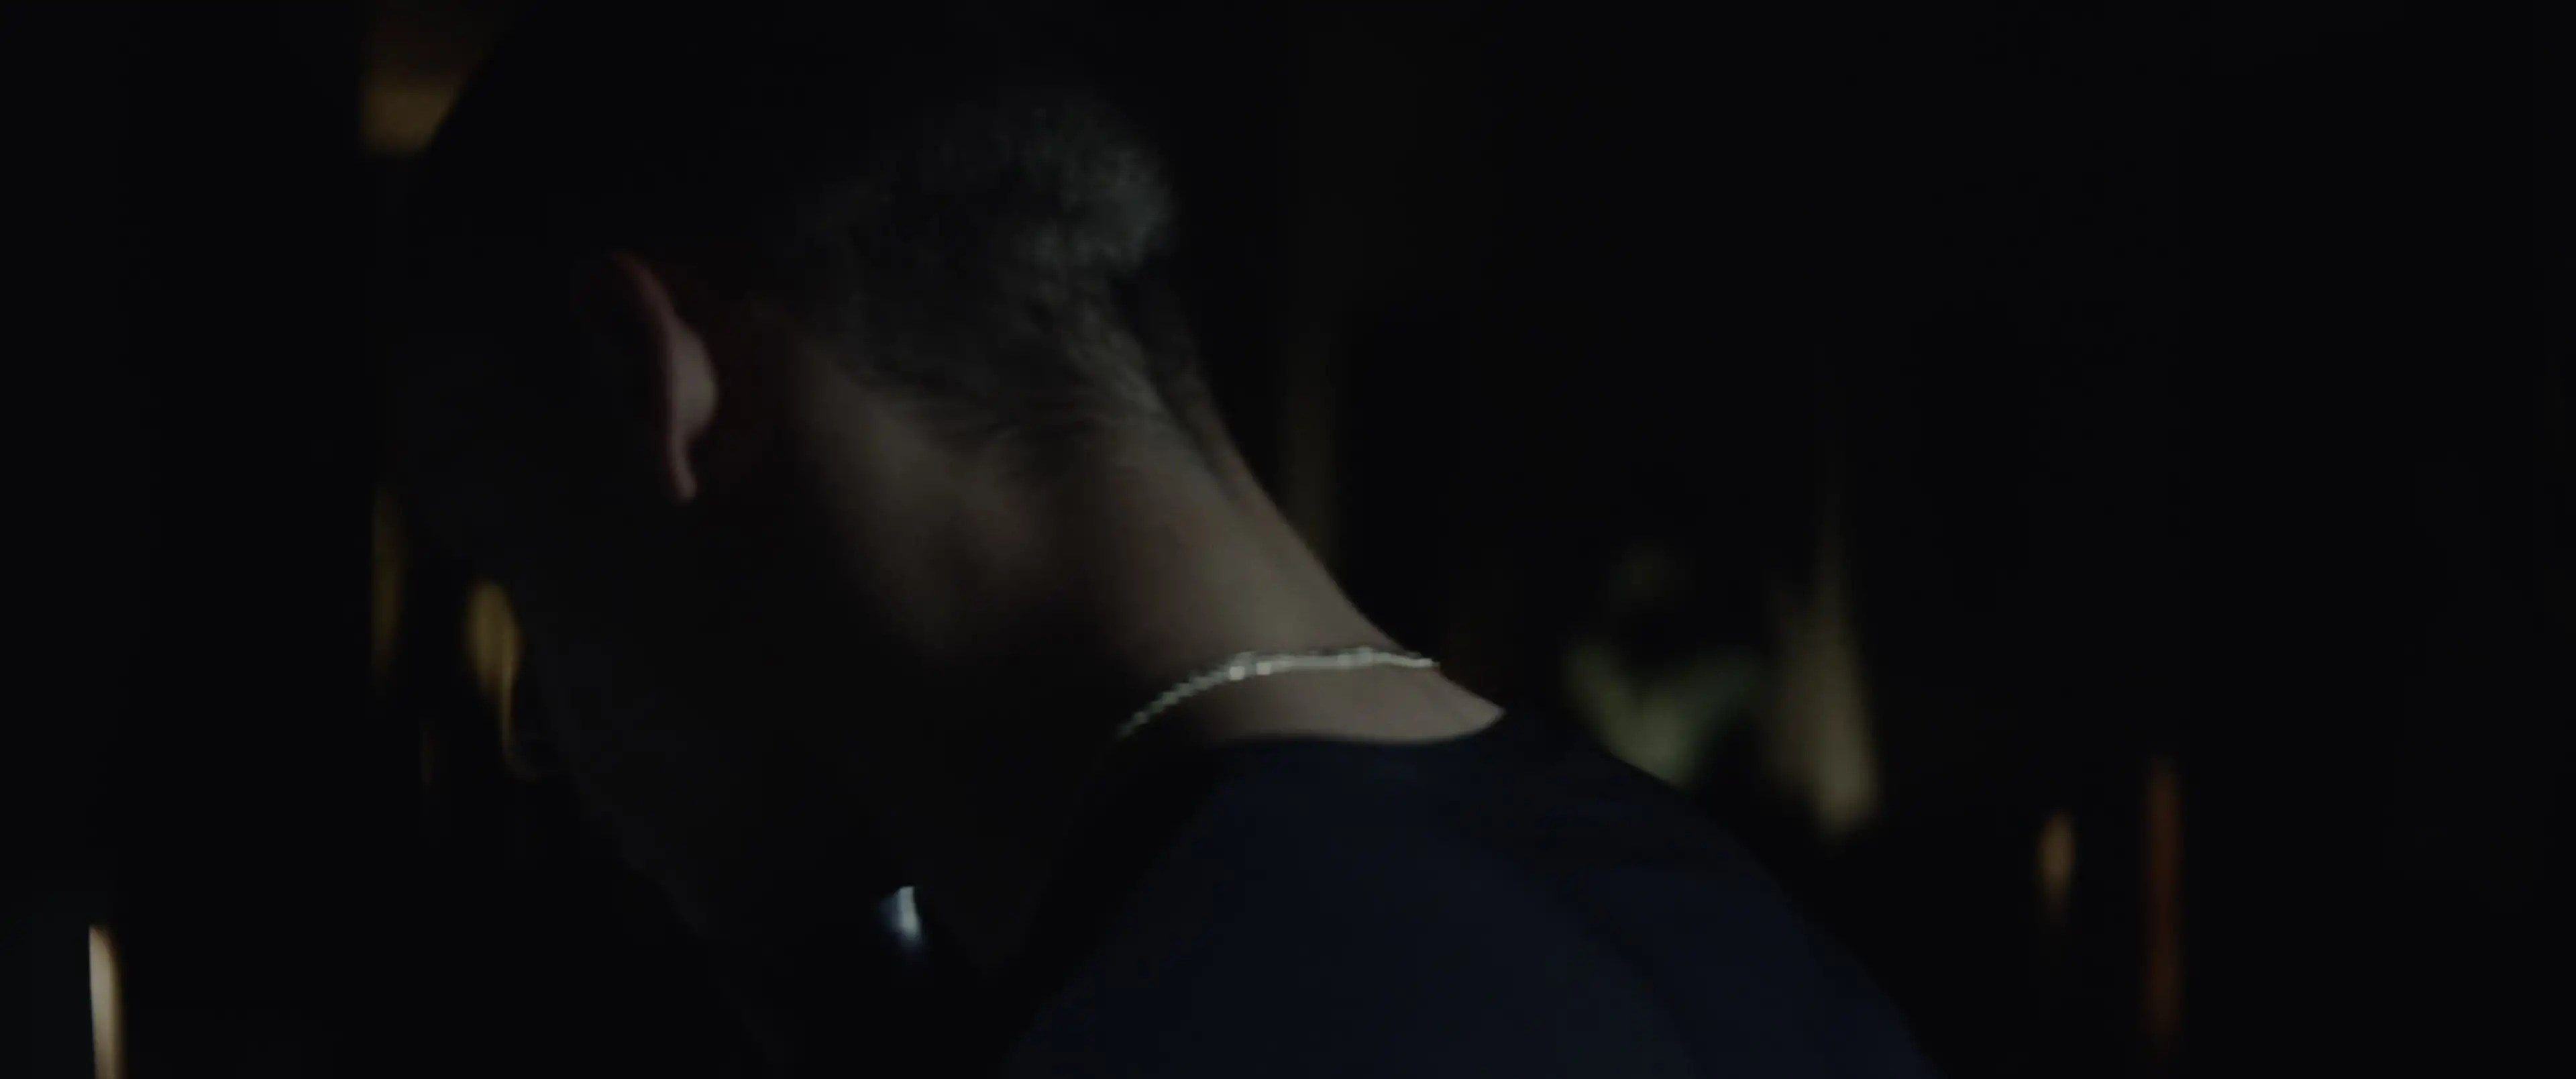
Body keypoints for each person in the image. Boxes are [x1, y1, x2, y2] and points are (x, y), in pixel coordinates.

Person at [386, 3, 1939, 1075]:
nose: (537, 731)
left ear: (656, 380)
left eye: (516, 553)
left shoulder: (1164, 1023)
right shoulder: (1736, 937)